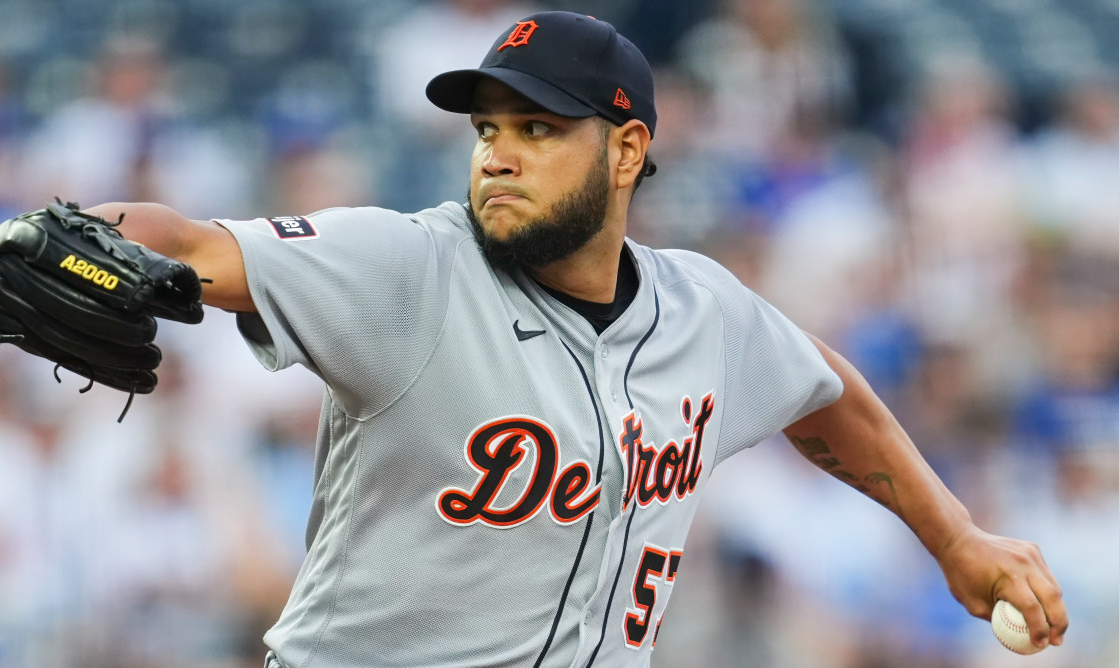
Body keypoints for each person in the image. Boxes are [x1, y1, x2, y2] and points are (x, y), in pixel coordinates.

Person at [79, 12, 1066, 667]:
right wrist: (76, 235)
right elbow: (192, 243)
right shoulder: (408, 267)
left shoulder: (702, 309)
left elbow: (825, 393)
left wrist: (957, 535)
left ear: (627, 148)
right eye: (487, 129)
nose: (499, 154)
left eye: (539, 129)